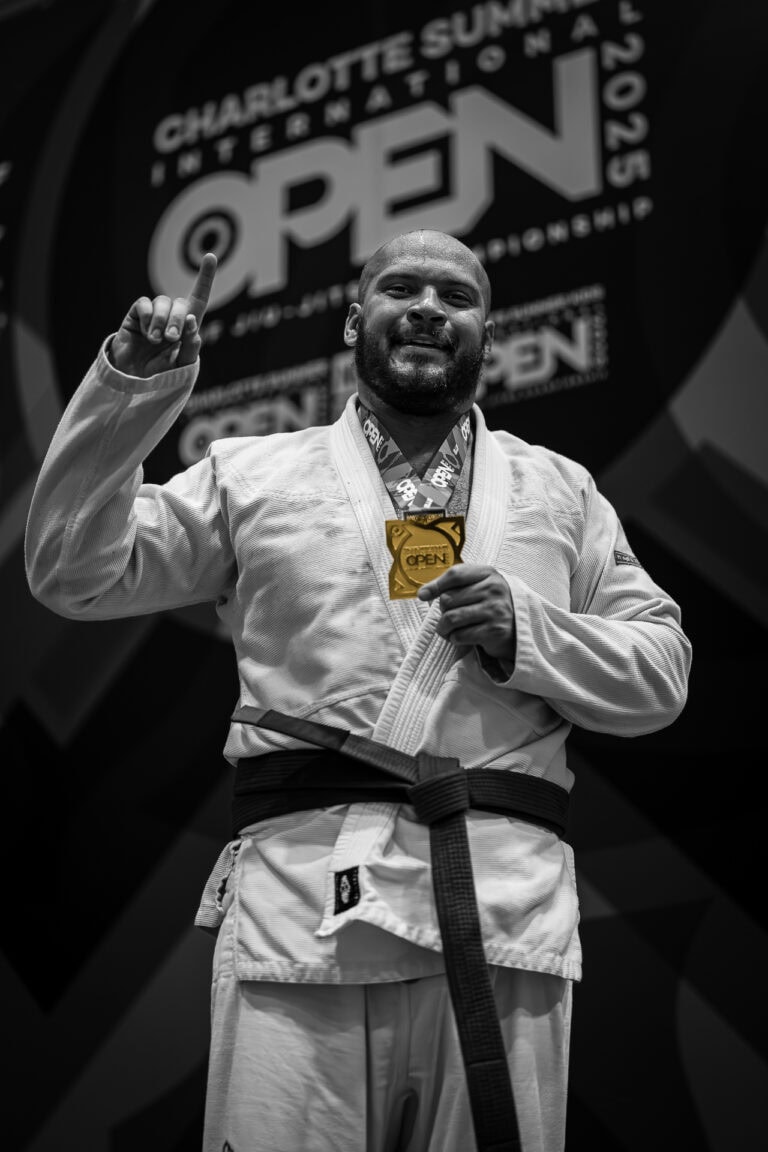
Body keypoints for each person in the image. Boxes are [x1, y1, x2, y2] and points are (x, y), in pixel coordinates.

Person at [25, 229, 691, 1152]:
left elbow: (661, 673)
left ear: (486, 336)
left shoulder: (559, 492)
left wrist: (530, 633)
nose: (428, 307)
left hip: (501, 917)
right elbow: (71, 571)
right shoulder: (251, 475)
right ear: (353, 321)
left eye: (456, 297)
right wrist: (129, 396)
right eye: (401, 288)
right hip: (304, 915)